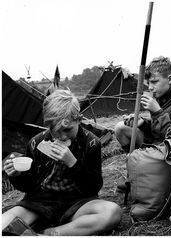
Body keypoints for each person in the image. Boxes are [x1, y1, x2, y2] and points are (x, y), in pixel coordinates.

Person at [2, 90, 122, 236]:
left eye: (67, 129)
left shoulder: (91, 143)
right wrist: (17, 175)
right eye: (54, 130)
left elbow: (93, 188)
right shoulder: (36, 142)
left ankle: (49, 233)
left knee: (112, 213)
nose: (62, 136)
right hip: (39, 204)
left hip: (77, 204)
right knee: (3, 223)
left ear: (79, 119)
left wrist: (72, 163)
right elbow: (29, 187)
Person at [115, 56, 171, 152]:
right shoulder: (163, 95)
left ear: (170, 79)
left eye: (154, 82)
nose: (150, 87)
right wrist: (143, 123)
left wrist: (157, 112)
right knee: (120, 128)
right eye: (148, 83)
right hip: (161, 141)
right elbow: (157, 126)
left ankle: (143, 160)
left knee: (142, 163)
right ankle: (136, 156)